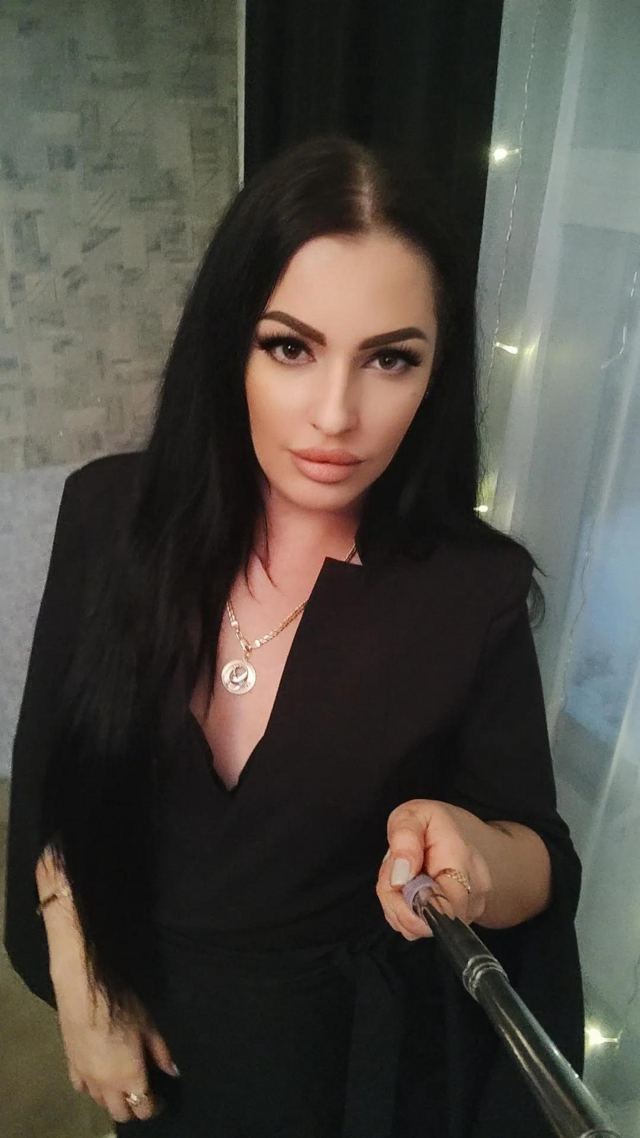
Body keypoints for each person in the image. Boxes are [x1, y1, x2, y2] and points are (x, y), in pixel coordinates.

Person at [4, 133, 584, 1138]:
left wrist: (479, 859)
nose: (335, 415)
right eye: (290, 346)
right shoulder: (109, 517)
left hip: (349, 1072)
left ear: (436, 372)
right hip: (152, 1042)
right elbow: (54, 785)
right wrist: (79, 974)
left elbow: (540, 859)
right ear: (229, 341)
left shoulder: (470, 589)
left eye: (390, 359)